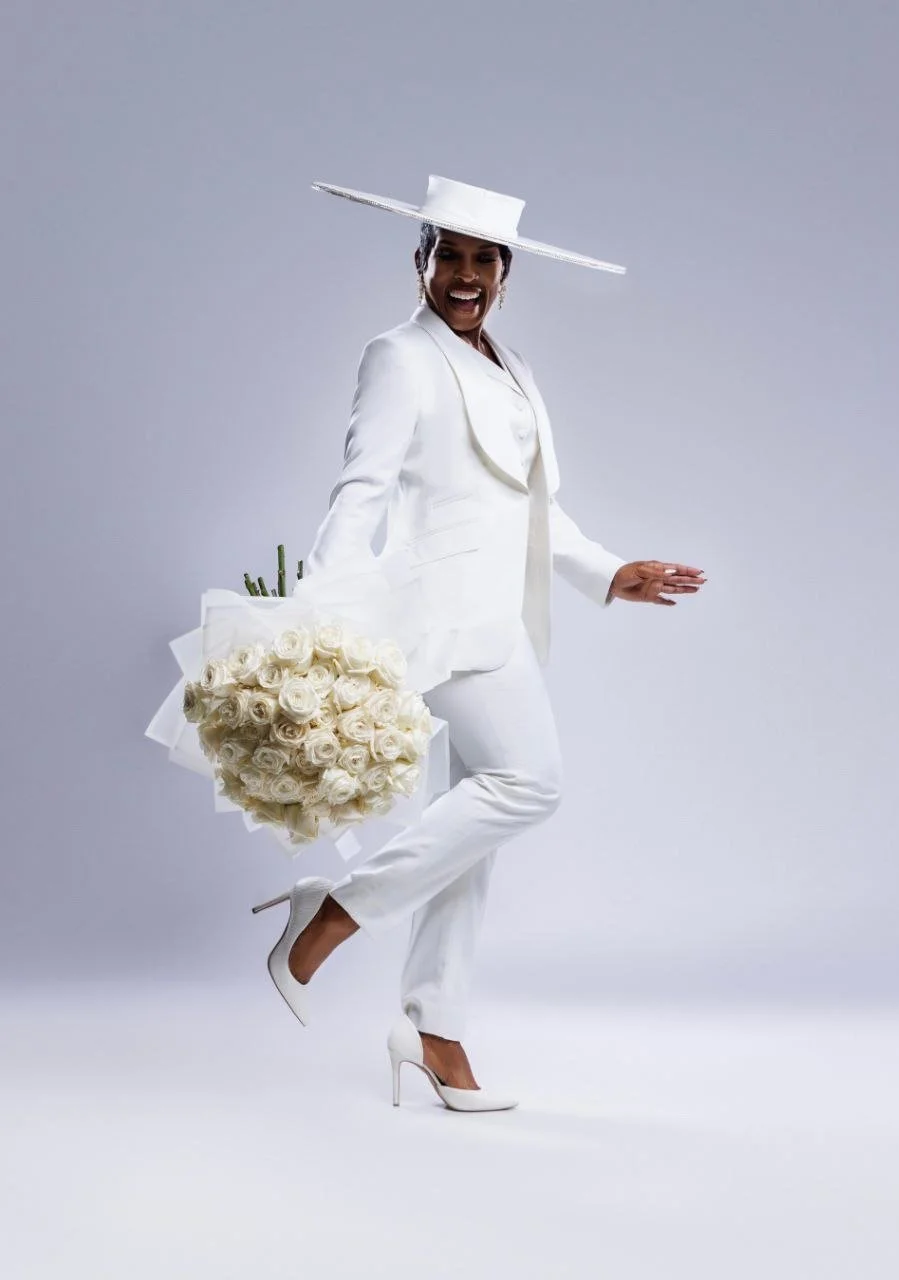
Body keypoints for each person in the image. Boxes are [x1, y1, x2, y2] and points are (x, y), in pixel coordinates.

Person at [252, 175, 707, 1111]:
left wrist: (607, 571)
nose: (465, 276)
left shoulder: (507, 362)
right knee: (529, 784)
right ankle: (332, 913)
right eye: (447, 256)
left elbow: (528, 504)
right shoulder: (399, 356)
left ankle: (435, 1030)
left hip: (503, 616)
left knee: (473, 834)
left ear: (506, 274)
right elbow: (362, 490)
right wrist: (319, 614)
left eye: (482, 261)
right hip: (444, 618)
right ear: (418, 260)